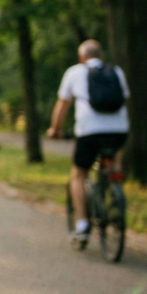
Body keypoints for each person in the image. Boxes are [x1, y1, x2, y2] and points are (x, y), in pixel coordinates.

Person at [46, 40, 129, 244]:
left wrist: (55, 129)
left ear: (82, 57)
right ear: (101, 55)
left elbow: (63, 103)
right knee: (113, 161)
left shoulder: (75, 72)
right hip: (119, 131)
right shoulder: (116, 71)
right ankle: (114, 193)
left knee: (78, 175)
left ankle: (82, 224)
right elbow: (124, 98)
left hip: (89, 132)